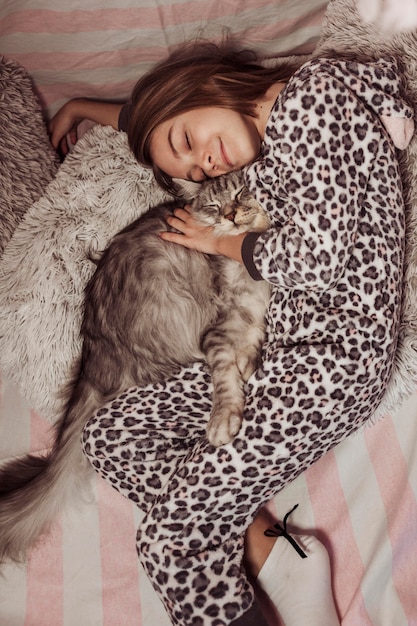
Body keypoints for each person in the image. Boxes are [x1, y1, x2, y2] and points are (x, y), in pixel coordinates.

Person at [50, 42, 413, 626]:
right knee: (110, 436)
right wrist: (84, 107)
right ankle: (273, 552)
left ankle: (237, 544)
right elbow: (175, 121)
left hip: (334, 361)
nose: (206, 166)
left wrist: (225, 244)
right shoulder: (262, 132)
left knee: (169, 540)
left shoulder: (310, 101)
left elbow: (317, 260)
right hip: (284, 357)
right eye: (193, 173)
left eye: (189, 145)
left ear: (205, 85)